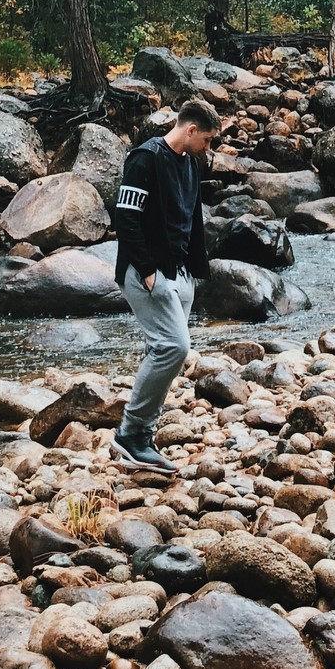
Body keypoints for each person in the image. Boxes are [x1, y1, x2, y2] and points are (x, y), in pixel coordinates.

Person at [110, 95, 219, 474]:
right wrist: (147, 269)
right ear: (191, 130)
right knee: (174, 347)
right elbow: (126, 219)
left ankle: (143, 438)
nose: (209, 148)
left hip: (178, 273)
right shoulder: (145, 159)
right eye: (207, 140)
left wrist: (192, 272)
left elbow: (191, 220)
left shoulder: (189, 164)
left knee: (166, 352)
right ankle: (131, 434)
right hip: (146, 273)